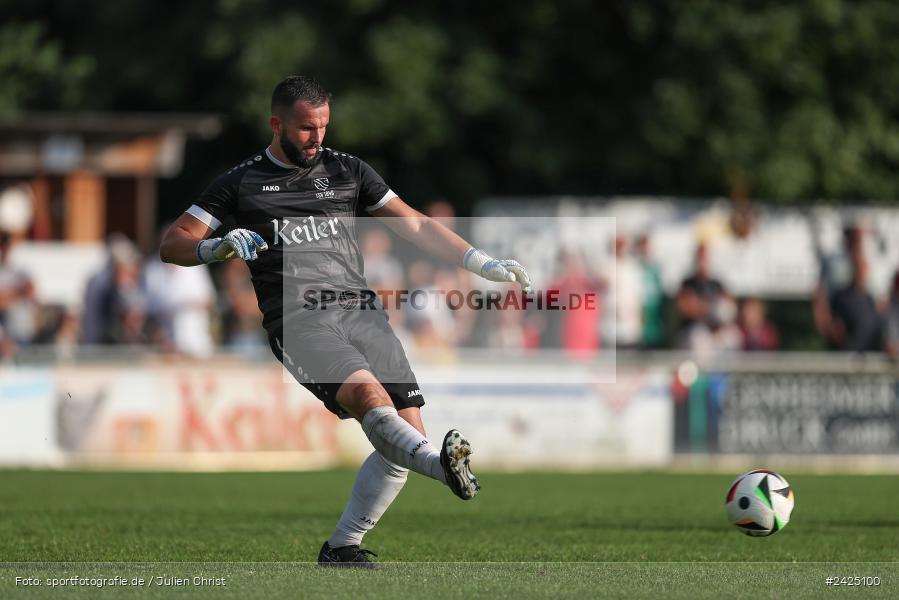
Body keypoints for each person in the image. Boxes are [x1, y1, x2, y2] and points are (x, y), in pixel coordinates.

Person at [159, 75, 531, 569]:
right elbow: (172, 243)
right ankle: (444, 470)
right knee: (370, 400)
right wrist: (214, 246)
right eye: (306, 128)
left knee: (405, 433)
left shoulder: (347, 169)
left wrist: (480, 262)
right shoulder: (239, 182)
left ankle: (341, 548)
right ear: (277, 124)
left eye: (324, 127)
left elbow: (414, 222)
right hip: (299, 318)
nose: (317, 138)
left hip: (362, 312)